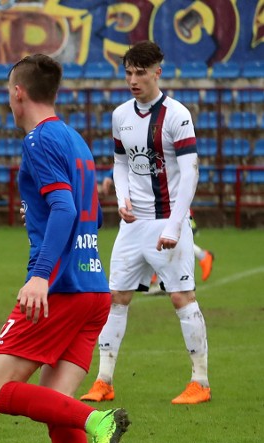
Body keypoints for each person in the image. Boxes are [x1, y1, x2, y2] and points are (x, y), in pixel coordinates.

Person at [0, 54, 130, 443]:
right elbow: (85, 211)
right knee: (56, 406)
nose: (9, 99)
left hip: (61, 289)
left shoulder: (39, 140)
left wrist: (41, 273)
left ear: (19, 92)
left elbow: (64, 209)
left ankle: (97, 420)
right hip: (93, 288)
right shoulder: (74, 139)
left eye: (9, 91)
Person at [80, 41, 211, 405]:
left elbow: (190, 172)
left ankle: (200, 382)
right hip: (133, 225)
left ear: (158, 71)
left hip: (167, 221)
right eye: (128, 73)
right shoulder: (120, 115)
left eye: (140, 73)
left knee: (182, 298)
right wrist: (122, 198)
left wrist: (175, 225)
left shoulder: (176, 115)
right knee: (115, 298)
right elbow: (120, 163)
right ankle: (104, 380)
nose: (133, 80)